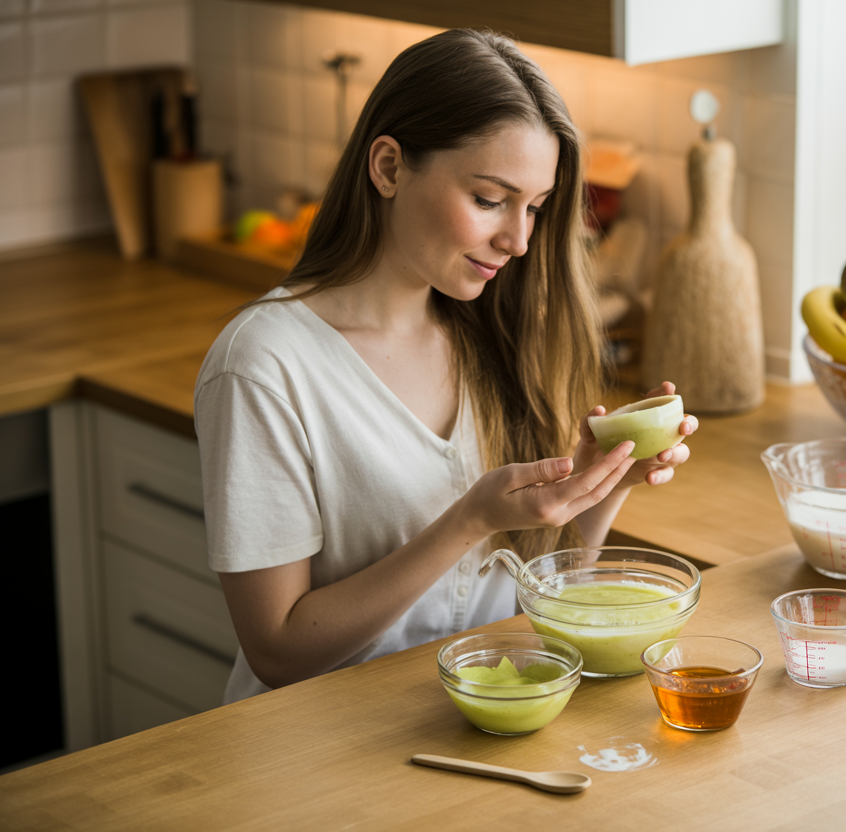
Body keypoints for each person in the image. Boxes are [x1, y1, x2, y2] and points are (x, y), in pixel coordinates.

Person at [194, 29, 697, 704]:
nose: (517, 240)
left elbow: (538, 589)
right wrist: (468, 520)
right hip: (316, 766)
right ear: (390, 167)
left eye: (535, 209)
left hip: (476, 730)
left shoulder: (498, 333)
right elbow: (278, 650)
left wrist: (603, 487)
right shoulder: (263, 366)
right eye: (490, 200)